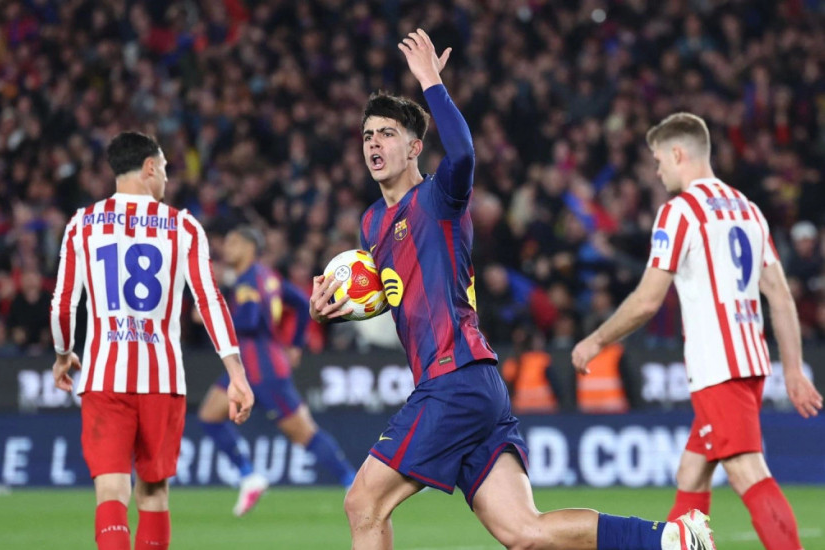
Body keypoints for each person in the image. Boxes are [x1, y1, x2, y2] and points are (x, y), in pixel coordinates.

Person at [310, 29, 716, 550]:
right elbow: (398, 292)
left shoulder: (438, 198)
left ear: (414, 148)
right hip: (474, 383)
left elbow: (463, 153)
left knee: (363, 503)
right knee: (525, 532)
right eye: (368, 135)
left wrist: (431, 81)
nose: (373, 143)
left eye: (387, 134)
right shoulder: (371, 223)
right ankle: (671, 539)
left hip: (452, 379)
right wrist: (338, 309)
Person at [572, 112, 824, 550]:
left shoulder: (679, 212)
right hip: (749, 361)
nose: (657, 172)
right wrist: (793, 370)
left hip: (717, 366)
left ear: (677, 153)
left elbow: (647, 300)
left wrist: (596, 339)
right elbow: (781, 297)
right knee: (691, 471)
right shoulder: (747, 209)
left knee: (747, 471)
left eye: (658, 161)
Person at [50, 132, 254, 550]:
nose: (166, 178)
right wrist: (236, 373)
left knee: (111, 491)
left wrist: (63, 353)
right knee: (155, 494)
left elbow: (63, 306)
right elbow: (210, 300)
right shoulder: (184, 226)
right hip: (162, 380)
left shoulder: (82, 224)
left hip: (104, 378)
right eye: (163, 168)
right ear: (148, 168)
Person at [197, 225, 356, 517]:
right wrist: (295, 344)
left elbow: (249, 320)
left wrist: (213, 314)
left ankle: (352, 482)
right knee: (209, 415)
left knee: (305, 434)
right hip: (250, 367)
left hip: (263, 370)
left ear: (249, 247)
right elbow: (301, 303)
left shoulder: (247, 281)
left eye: (233, 242)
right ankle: (249, 477)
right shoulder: (268, 277)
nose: (226, 248)